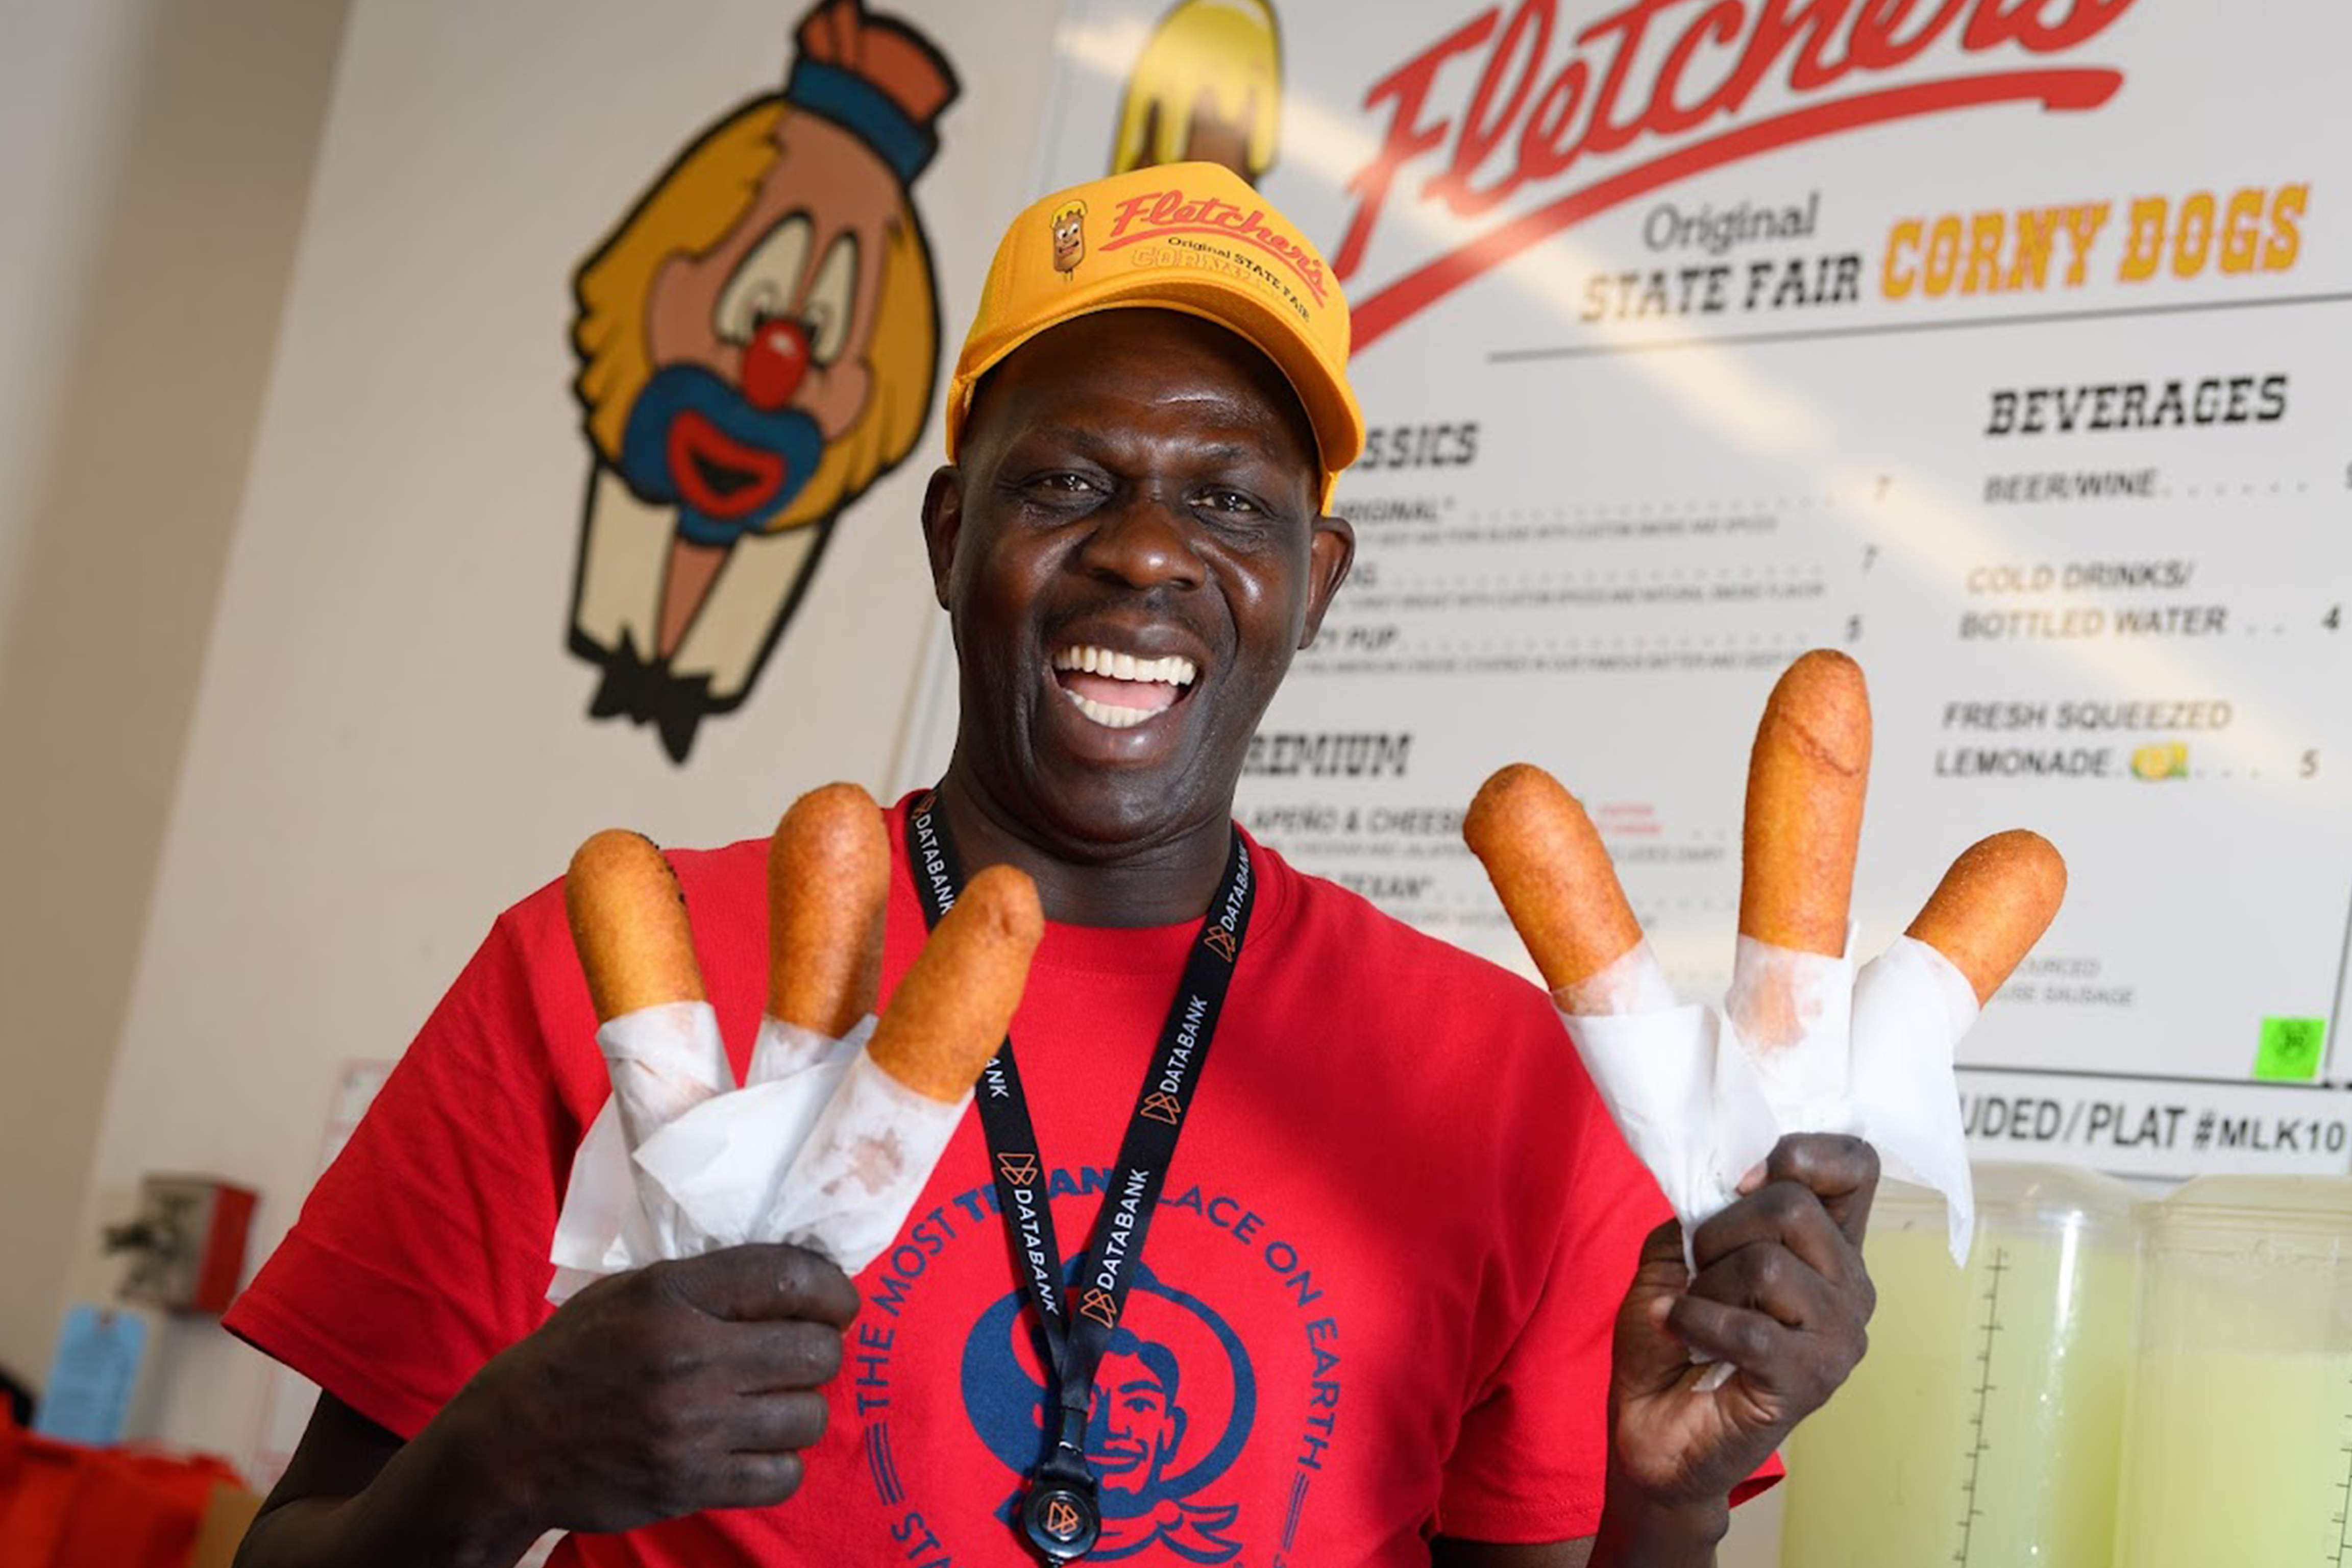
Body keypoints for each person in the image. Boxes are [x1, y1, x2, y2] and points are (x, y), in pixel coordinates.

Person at [227, 161, 1876, 1568]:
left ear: (1317, 580)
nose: (1148, 549)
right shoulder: (616, 972)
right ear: (952, 540)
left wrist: (1671, 1504)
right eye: (1069, 482)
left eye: (1230, 500)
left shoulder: (1518, 1084)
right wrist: (494, 1463)